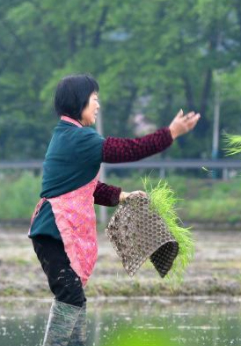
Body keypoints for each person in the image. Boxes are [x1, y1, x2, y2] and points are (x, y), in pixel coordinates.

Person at [28, 74, 200, 346]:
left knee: (74, 297)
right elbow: (128, 150)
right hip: (55, 231)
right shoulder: (79, 138)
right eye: (95, 100)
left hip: (53, 232)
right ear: (79, 102)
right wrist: (171, 133)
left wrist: (123, 195)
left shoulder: (68, 135)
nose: (97, 106)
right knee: (70, 297)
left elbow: (85, 188)